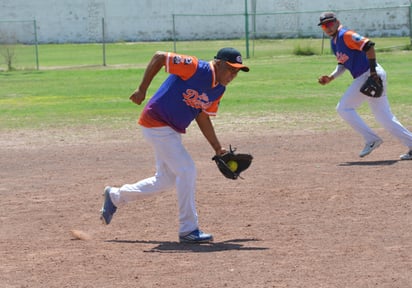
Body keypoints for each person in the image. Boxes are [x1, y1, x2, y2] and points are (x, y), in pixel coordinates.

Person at [100, 47, 249, 243]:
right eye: (230, 69)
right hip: (157, 122)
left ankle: (115, 196)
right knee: (186, 170)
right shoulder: (197, 68)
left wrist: (218, 148)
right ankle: (188, 229)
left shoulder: (218, 89)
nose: (233, 75)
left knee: (166, 180)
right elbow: (160, 57)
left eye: (237, 71)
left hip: (172, 131)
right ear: (219, 63)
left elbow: (202, 116)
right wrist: (142, 88)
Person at [317, 11, 412, 160]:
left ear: (337, 22)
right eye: (324, 26)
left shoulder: (345, 35)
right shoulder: (334, 42)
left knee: (344, 108)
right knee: (384, 117)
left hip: (369, 74)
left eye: (329, 23)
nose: (327, 27)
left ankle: (371, 139)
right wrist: (331, 77)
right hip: (367, 75)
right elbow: (342, 63)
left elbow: (369, 45)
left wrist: (373, 71)